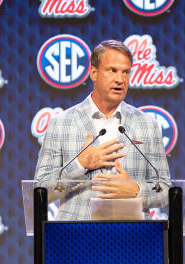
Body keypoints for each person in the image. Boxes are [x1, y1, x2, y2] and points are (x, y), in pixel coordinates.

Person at [34, 39, 171, 220]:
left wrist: (136, 190)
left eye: (126, 72)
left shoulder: (146, 125)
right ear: (94, 73)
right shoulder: (61, 124)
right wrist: (80, 164)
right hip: (76, 239)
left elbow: (166, 188)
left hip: (131, 239)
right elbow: (40, 191)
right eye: (112, 70)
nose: (120, 79)